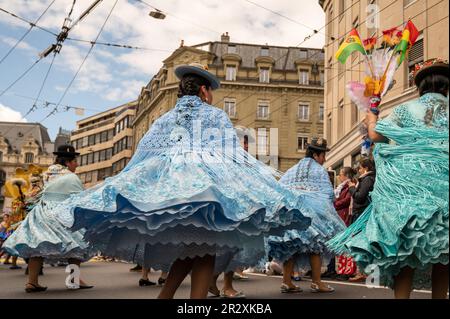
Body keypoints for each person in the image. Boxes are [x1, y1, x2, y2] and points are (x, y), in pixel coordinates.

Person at [54, 63, 310, 299]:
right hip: (206, 192)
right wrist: (256, 183)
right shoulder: (215, 116)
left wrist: (125, 183)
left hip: (174, 192)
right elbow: (231, 156)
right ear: (203, 90)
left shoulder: (165, 119)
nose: (211, 96)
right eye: (210, 91)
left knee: (193, 250)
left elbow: (144, 154)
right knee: (204, 249)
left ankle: (165, 297)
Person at [328, 58, 449, 299]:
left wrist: (372, 113)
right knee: (444, 251)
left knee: (404, 248)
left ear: (420, 87)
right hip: (444, 186)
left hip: (407, 189)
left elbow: (374, 134)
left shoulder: (406, 109)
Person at [3, 145, 94, 293]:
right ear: (68, 162)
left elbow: (38, 193)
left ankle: (32, 282)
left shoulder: (47, 173)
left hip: (42, 212)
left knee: (37, 245)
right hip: (62, 213)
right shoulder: (71, 177)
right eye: (75, 161)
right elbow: (79, 198)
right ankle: (74, 279)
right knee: (76, 244)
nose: (77, 164)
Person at [267, 138, 346, 293]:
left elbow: (280, 188)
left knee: (292, 246)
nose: (324, 159)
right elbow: (328, 194)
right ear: (316, 155)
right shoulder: (319, 170)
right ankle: (317, 282)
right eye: (323, 155)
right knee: (315, 246)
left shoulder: (293, 169)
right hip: (312, 214)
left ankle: (286, 281)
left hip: (292, 214)